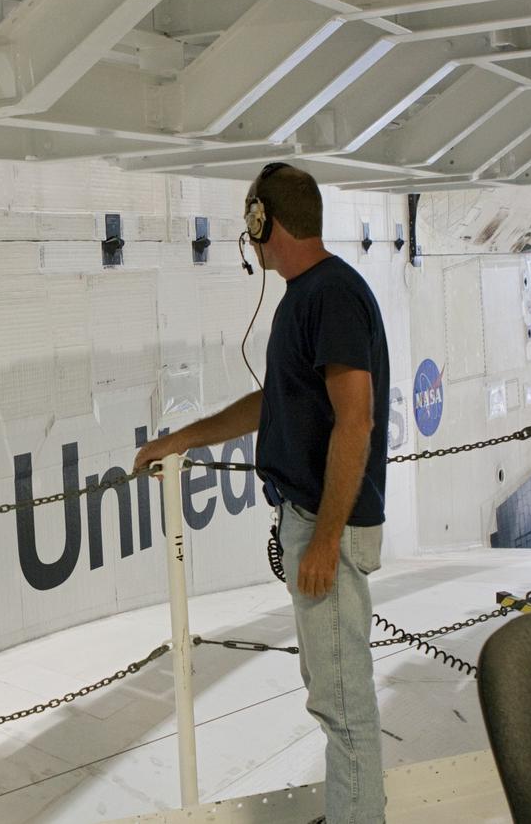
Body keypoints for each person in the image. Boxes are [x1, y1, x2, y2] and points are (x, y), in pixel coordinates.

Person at [135, 162, 390, 823]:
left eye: (250, 221)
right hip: (313, 520)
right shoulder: (308, 295)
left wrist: (326, 538)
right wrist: (181, 438)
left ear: (261, 221)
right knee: (334, 692)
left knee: (343, 704)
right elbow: (271, 401)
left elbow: (354, 421)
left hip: (323, 522)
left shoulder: (329, 295)